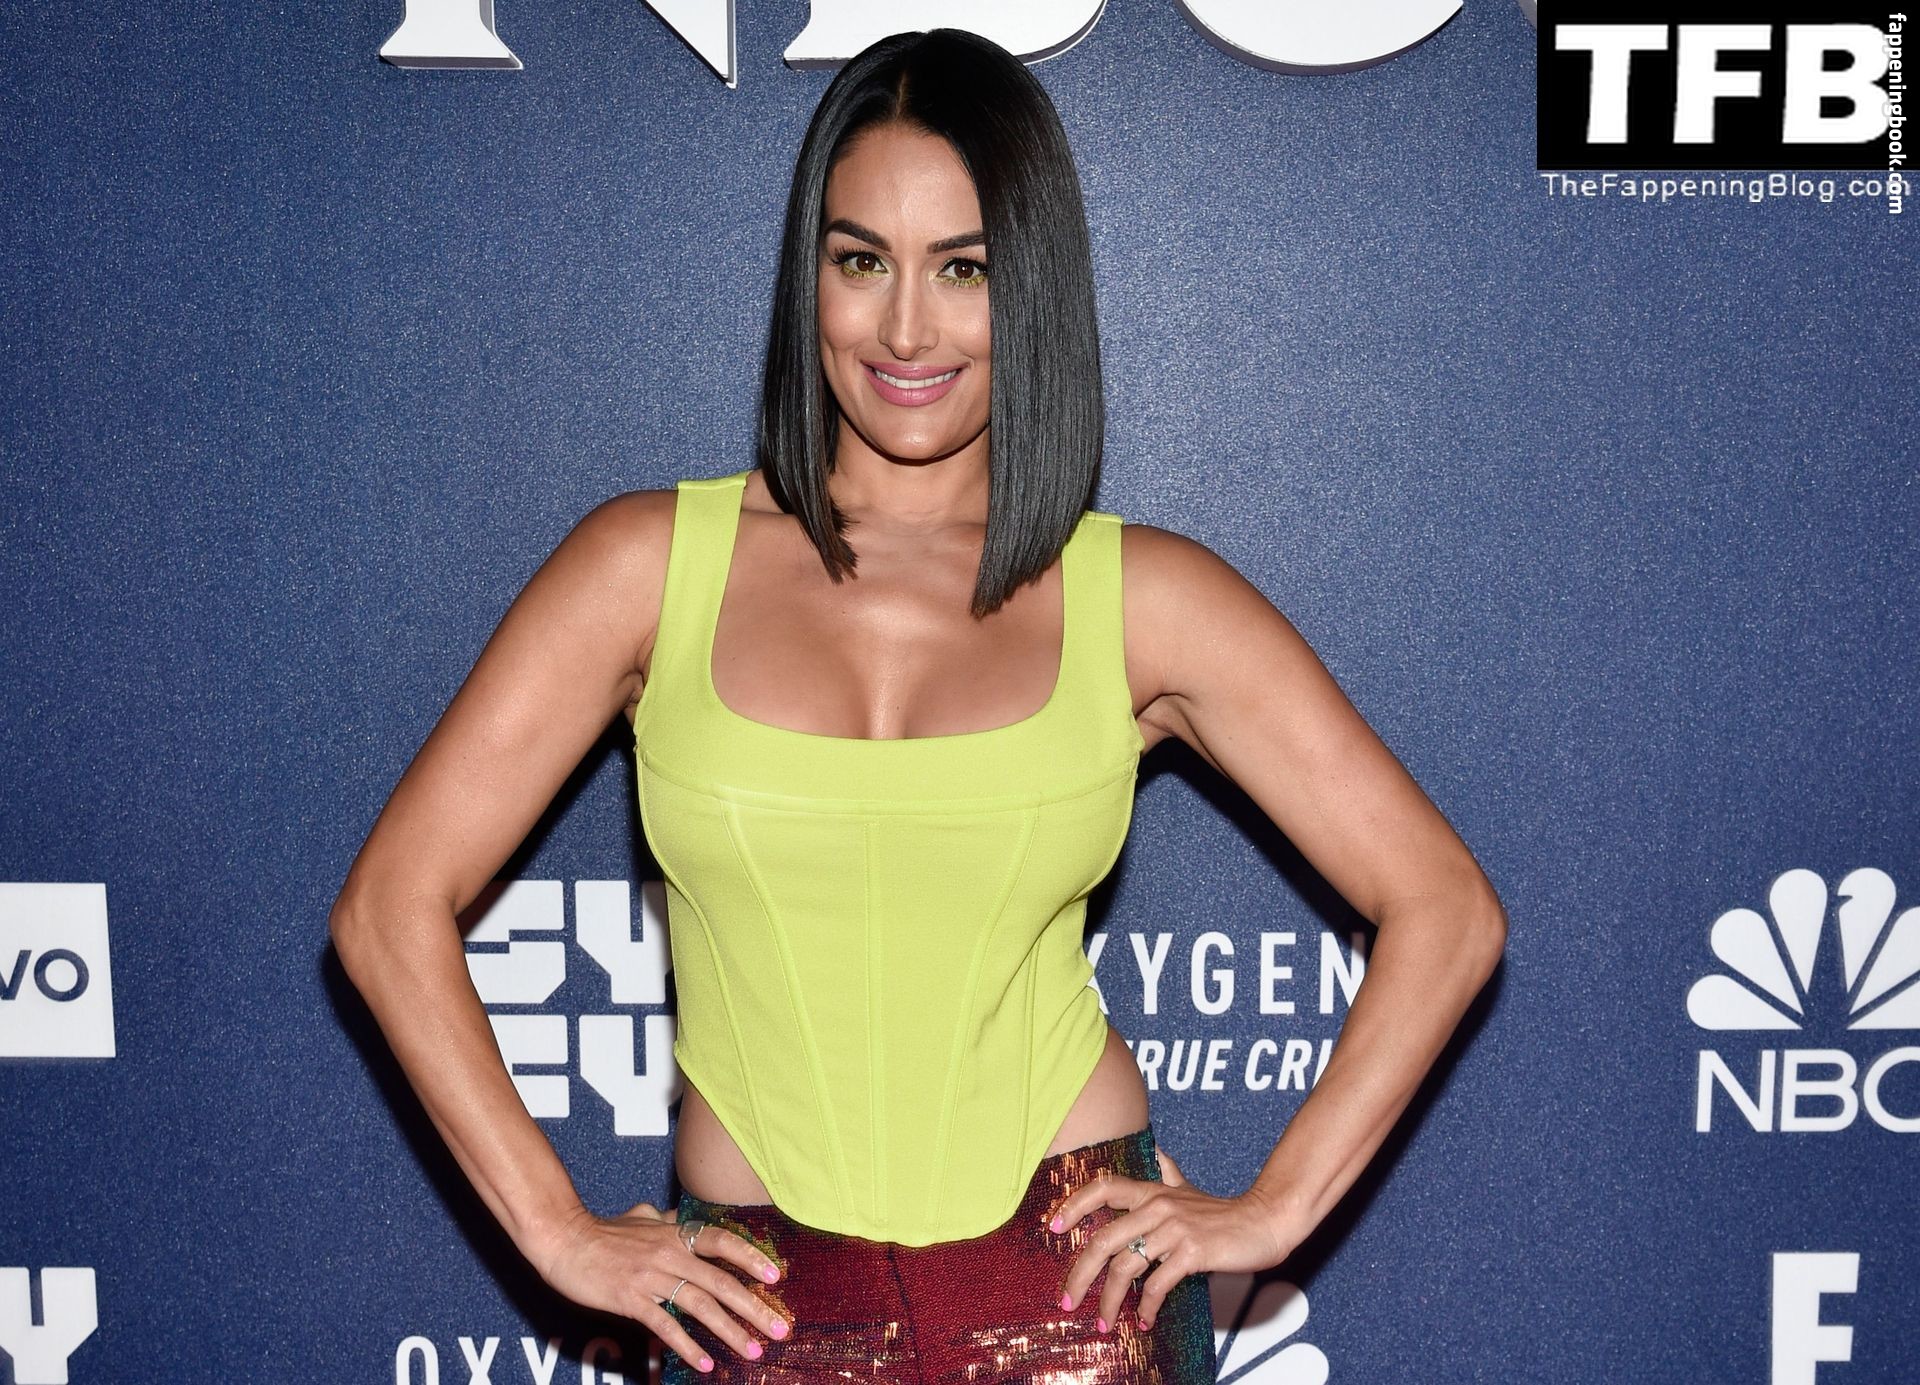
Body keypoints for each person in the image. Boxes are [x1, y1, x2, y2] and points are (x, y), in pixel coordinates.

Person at [329, 26, 1507, 1385]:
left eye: (964, 269)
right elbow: (388, 905)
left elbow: (1445, 906)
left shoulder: (1142, 598)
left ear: (1032, 288)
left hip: (1076, 1300)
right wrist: (554, 1230)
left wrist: (1278, 1205)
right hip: (759, 1311)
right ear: (809, 278)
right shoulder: (644, 568)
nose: (904, 328)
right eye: (860, 261)